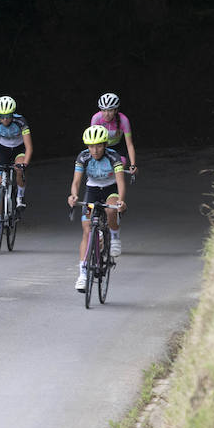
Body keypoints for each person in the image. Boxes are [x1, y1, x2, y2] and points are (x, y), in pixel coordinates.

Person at [67, 124, 128, 291]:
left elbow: (121, 182)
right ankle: (83, 274)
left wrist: (121, 201)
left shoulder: (113, 157)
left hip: (110, 189)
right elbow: (76, 182)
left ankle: (114, 235)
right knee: (87, 230)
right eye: (91, 146)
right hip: (92, 192)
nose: (94, 150)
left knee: (111, 210)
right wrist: (73, 195)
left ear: (105, 145)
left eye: (99, 146)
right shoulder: (83, 157)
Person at [0, 94, 33, 242]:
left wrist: (24, 164)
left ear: (12, 114)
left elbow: (29, 147)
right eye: (2, 117)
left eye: (8, 116)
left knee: (19, 168)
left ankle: (20, 197)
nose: (5, 120)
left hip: (19, 149)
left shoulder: (20, 122)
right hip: (2, 150)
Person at [91, 92, 138, 173]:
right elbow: (92, 142)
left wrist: (133, 165)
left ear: (116, 110)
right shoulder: (96, 118)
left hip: (118, 147)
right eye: (103, 110)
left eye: (110, 110)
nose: (106, 114)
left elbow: (129, 144)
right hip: (101, 147)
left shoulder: (124, 120)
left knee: (119, 166)